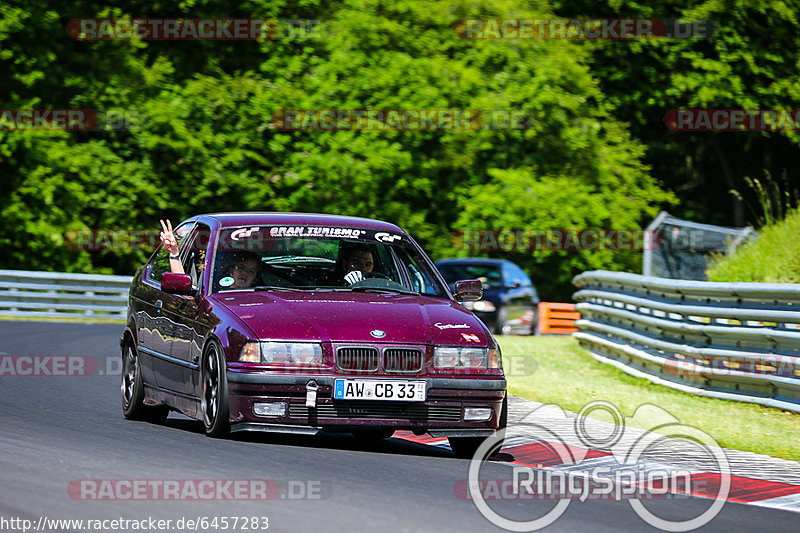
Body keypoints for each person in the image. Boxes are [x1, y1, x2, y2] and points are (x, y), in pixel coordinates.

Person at [159, 219, 260, 289]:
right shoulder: (213, 294)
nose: (245, 274)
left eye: (251, 271)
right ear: (231, 271)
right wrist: (174, 253)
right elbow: (182, 285)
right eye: (241, 268)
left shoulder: (264, 297)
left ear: (255, 278)